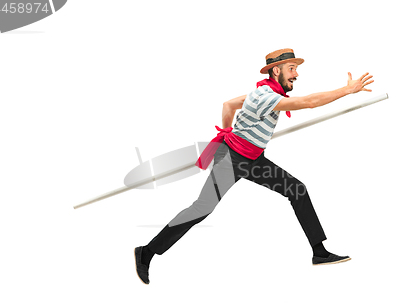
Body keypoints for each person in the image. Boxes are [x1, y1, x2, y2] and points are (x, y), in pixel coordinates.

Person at [134, 48, 374, 284]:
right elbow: (310, 102)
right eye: (292, 69)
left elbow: (228, 105)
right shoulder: (266, 96)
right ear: (276, 70)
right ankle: (147, 252)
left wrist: (229, 131)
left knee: (296, 190)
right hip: (231, 161)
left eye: (297, 70)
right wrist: (347, 90)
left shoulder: (264, 92)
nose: (296, 75)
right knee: (201, 209)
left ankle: (319, 253)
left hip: (254, 160)